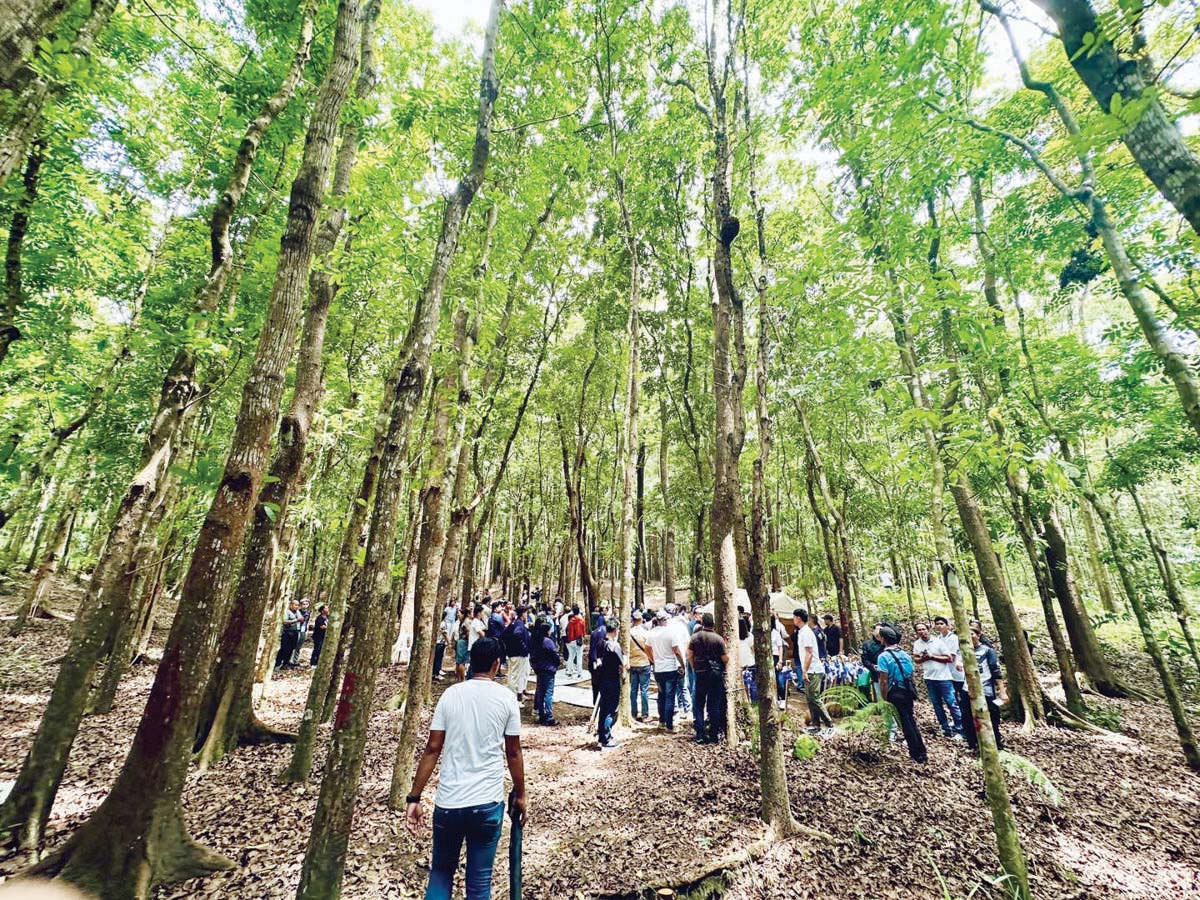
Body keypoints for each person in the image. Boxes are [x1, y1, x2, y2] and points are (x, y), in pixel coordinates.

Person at [405, 637, 526, 900]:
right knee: (479, 883)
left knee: (440, 874)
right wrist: (521, 793)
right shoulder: (506, 698)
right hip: (487, 803)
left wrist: (414, 796)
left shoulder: (451, 695)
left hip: (450, 802)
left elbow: (432, 748)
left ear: (471, 661)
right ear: (497, 664)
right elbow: (514, 752)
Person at [875, 626, 927, 764]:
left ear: (883, 639)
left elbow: (884, 680)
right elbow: (910, 672)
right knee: (910, 719)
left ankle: (916, 754)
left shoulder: (883, 657)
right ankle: (921, 751)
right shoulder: (904, 654)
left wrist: (884, 697)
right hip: (908, 690)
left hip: (895, 692)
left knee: (905, 722)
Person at [913, 620, 962, 739]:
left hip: (944, 678)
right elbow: (916, 659)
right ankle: (945, 728)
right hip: (929, 678)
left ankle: (960, 728)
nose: (921, 632)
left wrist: (932, 656)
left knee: (951, 703)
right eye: (919, 630)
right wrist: (924, 658)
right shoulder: (917, 644)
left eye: (923, 629)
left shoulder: (937, 641)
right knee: (936, 704)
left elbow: (949, 658)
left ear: (928, 629)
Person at [688, 613, 728, 744]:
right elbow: (724, 658)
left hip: (700, 673)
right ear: (713, 624)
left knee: (699, 704)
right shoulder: (718, 639)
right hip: (715, 675)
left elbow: (689, 655)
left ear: (702, 623)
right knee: (714, 705)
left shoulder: (695, 638)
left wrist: (695, 667)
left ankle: (700, 734)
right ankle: (714, 735)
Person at [967, 625, 1006, 751]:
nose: (970, 636)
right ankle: (974, 744)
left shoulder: (987, 651)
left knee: (992, 717)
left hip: (986, 688)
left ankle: (996, 743)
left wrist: (1002, 691)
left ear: (978, 635)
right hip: (967, 689)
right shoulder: (963, 650)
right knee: (969, 717)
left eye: (972, 634)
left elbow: (996, 671)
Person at [647, 610, 685, 731]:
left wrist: (653, 660)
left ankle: (662, 721)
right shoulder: (670, 633)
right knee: (669, 697)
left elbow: (647, 648)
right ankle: (669, 725)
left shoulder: (651, 633)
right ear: (665, 620)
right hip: (670, 668)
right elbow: (677, 651)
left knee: (661, 695)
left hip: (658, 669)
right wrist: (682, 665)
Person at [796, 609, 833, 730]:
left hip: (814, 670)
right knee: (810, 698)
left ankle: (829, 723)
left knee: (814, 698)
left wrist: (805, 671)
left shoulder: (806, 632)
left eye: (794, 617)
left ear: (798, 618)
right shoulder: (802, 632)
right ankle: (815, 724)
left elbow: (809, 653)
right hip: (809, 669)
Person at [595, 620, 624, 749]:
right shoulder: (613, 646)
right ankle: (606, 737)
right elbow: (622, 663)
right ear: (616, 630)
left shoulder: (601, 643)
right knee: (610, 709)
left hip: (603, 679)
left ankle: (602, 734)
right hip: (612, 679)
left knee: (604, 708)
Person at [530, 616, 560, 726]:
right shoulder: (547, 642)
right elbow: (555, 655)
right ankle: (549, 716)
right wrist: (556, 664)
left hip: (540, 669)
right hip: (548, 669)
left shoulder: (536, 640)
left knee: (541, 692)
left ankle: (542, 715)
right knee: (548, 693)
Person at [668, 606, 692, 718]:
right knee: (683, 686)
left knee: (673, 686)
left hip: (670, 661)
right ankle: (688, 709)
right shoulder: (681, 626)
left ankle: (677, 709)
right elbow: (687, 642)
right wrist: (685, 656)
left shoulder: (666, 626)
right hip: (680, 659)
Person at [628, 610, 652, 721]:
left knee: (633, 690)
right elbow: (649, 648)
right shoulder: (646, 633)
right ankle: (645, 713)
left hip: (632, 663)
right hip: (644, 663)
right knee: (644, 690)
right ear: (641, 619)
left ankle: (633, 713)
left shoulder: (629, 633)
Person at [503, 607, 531, 703]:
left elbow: (504, 634)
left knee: (515, 675)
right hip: (518, 654)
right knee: (515, 676)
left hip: (514, 653)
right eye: (526, 613)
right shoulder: (519, 623)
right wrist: (523, 648)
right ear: (523, 613)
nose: (527, 615)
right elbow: (516, 635)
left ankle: (518, 695)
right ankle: (514, 699)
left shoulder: (514, 623)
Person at [275, 600, 302, 670]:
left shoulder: (297, 612)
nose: (296, 607)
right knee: (284, 648)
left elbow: (301, 618)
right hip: (287, 633)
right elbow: (285, 621)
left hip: (295, 633)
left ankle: (285, 664)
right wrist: (296, 620)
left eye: (297, 605)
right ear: (291, 605)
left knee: (291, 649)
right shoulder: (287, 612)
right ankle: (277, 664)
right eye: (295, 605)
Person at [860, 624, 885, 701]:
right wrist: (872, 666)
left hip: (888, 673)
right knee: (879, 696)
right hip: (875, 674)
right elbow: (864, 659)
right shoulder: (867, 644)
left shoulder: (887, 643)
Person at [589, 610, 609, 703]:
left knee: (595, 684)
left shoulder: (594, 632)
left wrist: (594, 660)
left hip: (594, 661)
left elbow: (592, 649)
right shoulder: (607, 633)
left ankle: (595, 701)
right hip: (603, 661)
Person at [565, 605, 586, 677]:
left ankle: (569, 671)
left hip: (571, 640)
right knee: (579, 656)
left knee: (571, 656)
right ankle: (579, 673)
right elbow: (583, 631)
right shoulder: (581, 620)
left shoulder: (570, 621)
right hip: (578, 640)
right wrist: (583, 637)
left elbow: (568, 630)